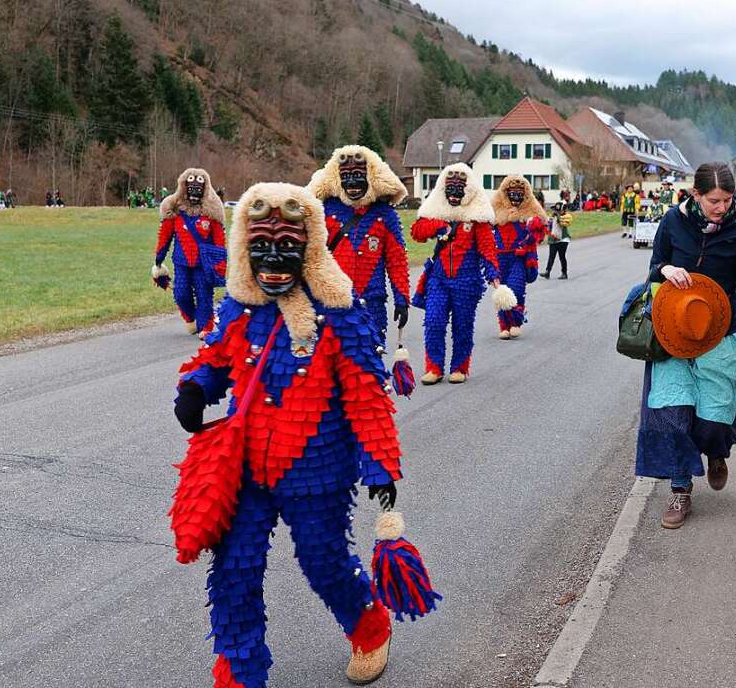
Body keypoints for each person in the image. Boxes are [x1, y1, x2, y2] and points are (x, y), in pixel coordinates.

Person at [173, 182, 406, 686]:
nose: (273, 257)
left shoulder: (342, 317)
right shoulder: (238, 307)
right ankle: (240, 666)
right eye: (261, 246)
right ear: (244, 246)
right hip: (247, 466)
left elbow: (368, 397)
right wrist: (196, 387)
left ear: (310, 247)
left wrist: (381, 467)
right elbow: (214, 357)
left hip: (317, 472)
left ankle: (368, 626)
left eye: (287, 246)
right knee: (234, 567)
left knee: (323, 561)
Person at [640, 162, 736, 528]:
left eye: (727, 200)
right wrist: (665, 270)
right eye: (714, 200)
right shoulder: (672, 222)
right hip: (673, 335)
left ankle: (715, 451)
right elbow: (654, 266)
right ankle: (680, 490)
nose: (721, 207)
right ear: (696, 194)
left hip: (719, 335)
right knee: (674, 414)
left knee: (713, 423)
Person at [410, 163, 510, 385]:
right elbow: (416, 232)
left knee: (462, 326)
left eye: (459, 190)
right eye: (450, 190)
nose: (454, 195)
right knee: (434, 321)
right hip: (438, 278)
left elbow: (487, 248)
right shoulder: (437, 214)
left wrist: (493, 275)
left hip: (467, 280)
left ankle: (460, 367)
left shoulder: (477, 219)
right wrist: (436, 226)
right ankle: (434, 367)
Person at [307, 145, 410, 343]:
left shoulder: (385, 214)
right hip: (331, 298)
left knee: (370, 355)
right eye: (346, 176)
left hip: (372, 300)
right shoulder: (325, 211)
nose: (352, 182)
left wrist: (402, 298)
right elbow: (311, 255)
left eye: (358, 176)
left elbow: (397, 260)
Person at [152, 169, 228, 336]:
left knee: (204, 295)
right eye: (190, 183)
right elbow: (165, 235)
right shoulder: (175, 211)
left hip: (203, 263)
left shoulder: (211, 212)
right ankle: (190, 318)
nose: (194, 188)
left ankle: (205, 327)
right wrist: (159, 258)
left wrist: (220, 263)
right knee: (180, 292)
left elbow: (219, 240)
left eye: (199, 184)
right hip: (181, 262)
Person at [492, 175, 547, 339]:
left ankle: (515, 322)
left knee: (516, 289)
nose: (515, 196)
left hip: (518, 258)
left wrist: (533, 231)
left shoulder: (531, 212)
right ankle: (504, 325)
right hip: (500, 257)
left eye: (519, 193)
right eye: (512, 193)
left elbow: (541, 232)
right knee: (502, 292)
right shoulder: (495, 209)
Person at [542, 202, 572, 280]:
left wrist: (557, 215)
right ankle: (547, 272)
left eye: (558, 210)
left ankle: (564, 273)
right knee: (551, 256)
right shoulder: (552, 217)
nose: (556, 211)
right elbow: (549, 227)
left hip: (563, 240)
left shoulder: (567, 216)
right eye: (555, 210)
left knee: (562, 257)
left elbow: (562, 223)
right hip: (553, 239)